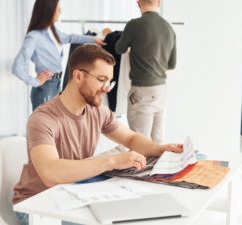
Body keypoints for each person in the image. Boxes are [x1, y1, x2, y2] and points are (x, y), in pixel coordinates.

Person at [13, 44, 183, 225]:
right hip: (36, 205)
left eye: (109, 81)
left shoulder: (98, 112)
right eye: (101, 79)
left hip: (72, 195)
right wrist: (113, 161)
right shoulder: (43, 119)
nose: (107, 88)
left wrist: (158, 149)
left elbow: (130, 138)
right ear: (78, 76)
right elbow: (50, 173)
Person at [12, 0, 105, 110]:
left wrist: (93, 39)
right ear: (48, 11)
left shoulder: (52, 31)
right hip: (46, 87)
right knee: (44, 124)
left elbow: (70, 38)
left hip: (56, 83)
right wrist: (36, 81)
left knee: (54, 122)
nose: (60, 11)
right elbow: (17, 67)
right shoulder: (34, 36)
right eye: (57, 9)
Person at [115, 0, 176, 144]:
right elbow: (172, 64)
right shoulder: (168, 28)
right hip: (161, 90)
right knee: (158, 142)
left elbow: (119, 49)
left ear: (138, 3)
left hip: (142, 91)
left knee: (139, 143)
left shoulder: (134, 25)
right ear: (159, 3)